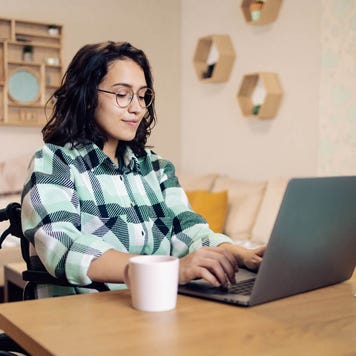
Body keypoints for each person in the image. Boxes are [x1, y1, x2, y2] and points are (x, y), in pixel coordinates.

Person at [21, 41, 265, 297]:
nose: (137, 107)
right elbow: (61, 245)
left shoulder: (157, 168)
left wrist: (244, 255)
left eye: (142, 95)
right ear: (87, 96)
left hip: (155, 307)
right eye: (122, 94)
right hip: (84, 319)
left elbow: (188, 229)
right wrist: (169, 270)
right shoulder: (54, 161)